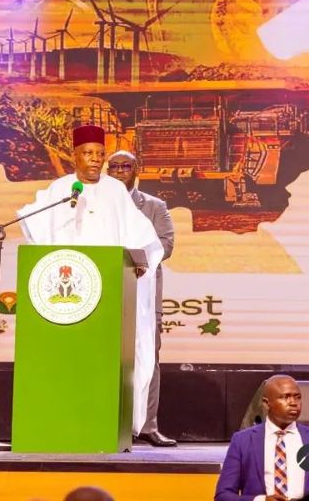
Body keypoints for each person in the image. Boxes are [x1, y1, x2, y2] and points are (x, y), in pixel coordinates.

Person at [17, 124, 163, 435]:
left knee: (104, 359)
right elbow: (36, 226)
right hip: (69, 295)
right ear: (75, 156)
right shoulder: (59, 190)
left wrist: (138, 262)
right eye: (88, 153)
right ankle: (64, 419)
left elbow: (141, 236)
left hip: (109, 290)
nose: (95, 159)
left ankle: (102, 419)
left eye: (99, 154)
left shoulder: (115, 191)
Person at [107, 149, 177, 448]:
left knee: (148, 358)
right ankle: (105, 421)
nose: (119, 170)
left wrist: (136, 255)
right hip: (105, 291)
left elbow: (166, 244)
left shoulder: (154, 206)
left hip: (143, 292)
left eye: (126, 166)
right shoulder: (93, 205)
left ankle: (148, 426)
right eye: (114, 166)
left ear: (137, 170)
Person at [215, 375, 309, 501]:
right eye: (285, 397)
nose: (293, 403)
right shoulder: (242, 441)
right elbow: (223, 495)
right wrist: (261, 500)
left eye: (297, 397)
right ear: (266, 403)